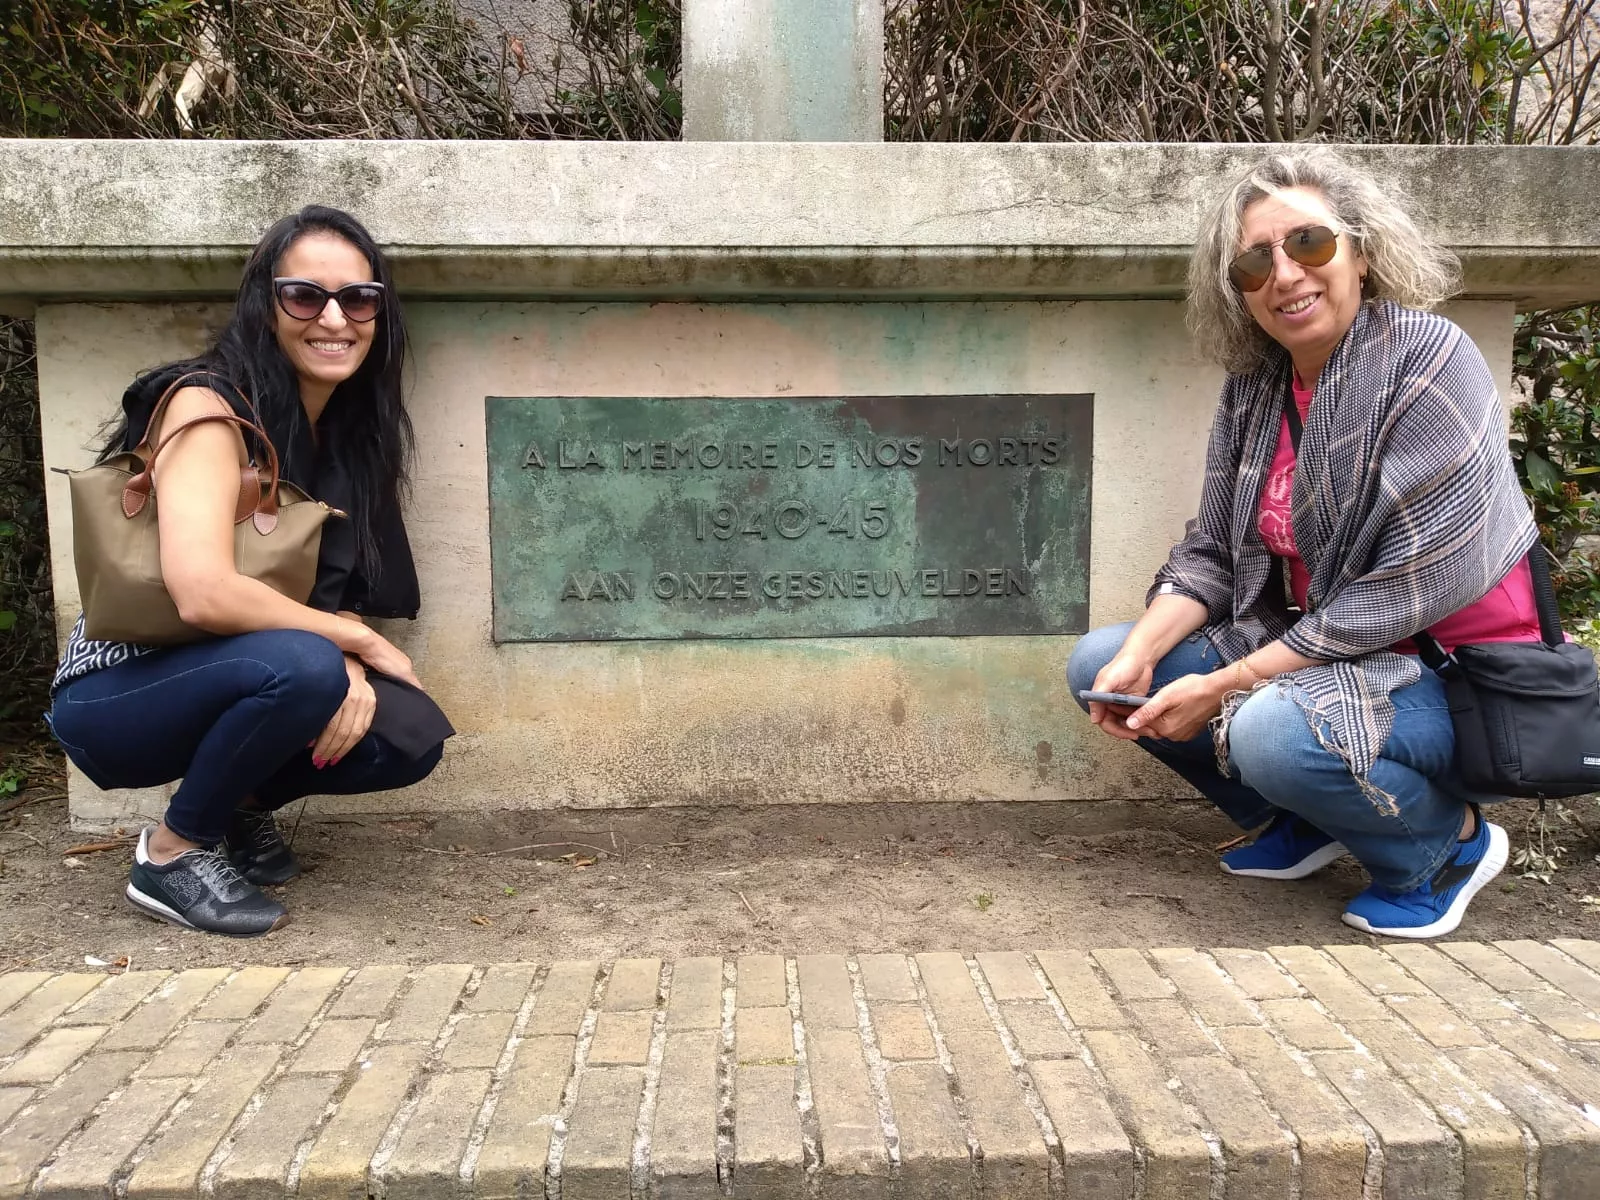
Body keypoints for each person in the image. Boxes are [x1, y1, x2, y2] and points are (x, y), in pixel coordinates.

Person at [1067, 147, 1539, 939]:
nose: (1284, 275)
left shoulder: (1430, 361)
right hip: (1325, 656)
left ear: (1361, 252)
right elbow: (1215, 553)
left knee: (1272, 729)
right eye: (1255, 262)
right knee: (1101, 667)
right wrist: (1140, 653)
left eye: (1309, 244)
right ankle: (1310, 820)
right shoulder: (1256, 389)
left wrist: (1227, 685)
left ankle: (1445, 849)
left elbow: (1402, 591)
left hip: (1453, 675)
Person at [47, 205, 450, 938]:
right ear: (267, 305)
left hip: (258, 664)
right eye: (306, 296)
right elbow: (204, 594)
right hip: (119, 694)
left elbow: (333, 593)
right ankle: (171, 854)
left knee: (405, 732)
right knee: (306, 668)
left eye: (358, 298)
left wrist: (346, 658)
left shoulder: (347, 434)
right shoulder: (206, 407)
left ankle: (233, 808)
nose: (335, 318)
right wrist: (350, 646)